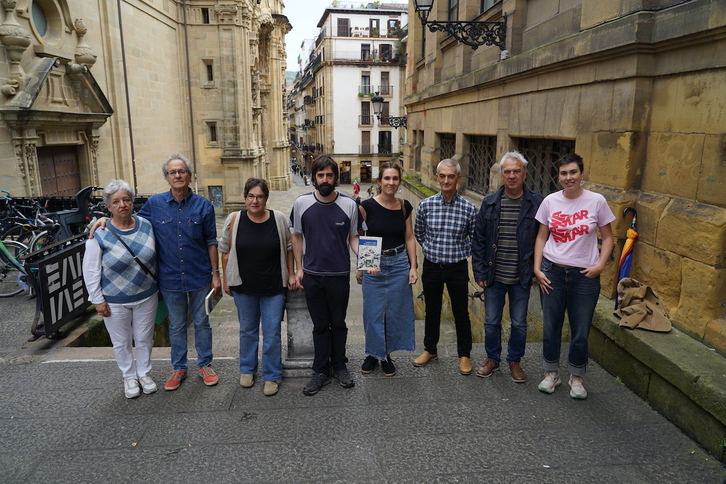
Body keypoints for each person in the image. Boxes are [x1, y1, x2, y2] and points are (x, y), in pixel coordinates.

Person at [92, 153, 222, 391]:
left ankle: (205, 364)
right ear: (166, 177)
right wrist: (102, 220)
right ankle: (179, 367)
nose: (177, 175)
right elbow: (128, 222)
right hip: (169, 278)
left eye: (181, 171)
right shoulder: (155, 204)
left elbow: (211, 241)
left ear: (190, 175)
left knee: (202, 322)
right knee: (176, 325)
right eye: (172, 172)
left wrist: (216, 273)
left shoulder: (204, 206)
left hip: (199, 275)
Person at [533, 153, 615, 399]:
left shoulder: (597, 201)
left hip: (584, 276)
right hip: (552, 272)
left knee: (580, 329)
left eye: (573, 172)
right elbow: (541, 237)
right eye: (564, 173)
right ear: (558, 176)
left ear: (582, 174)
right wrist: (537, 268)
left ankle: (576, 377)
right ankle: (551, 373)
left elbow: (609, 237)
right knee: (551, 326)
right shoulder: (549, 201)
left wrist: (601, 265)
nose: (569, 178)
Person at [219, 178, 296, 397]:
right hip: (244, 287)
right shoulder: (235, 219)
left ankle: (271, 375)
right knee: (247, 331)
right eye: (251, 196)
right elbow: (224, 250)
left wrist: (291, 273)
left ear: (266, 199)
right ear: (245, 198)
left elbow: (290, 248)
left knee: (272, 333)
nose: (255, 201)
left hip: (273, 287)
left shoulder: (278, 219)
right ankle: (247, 369)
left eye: (260, 196)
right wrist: (226, 279)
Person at [82, 180, 159, 399]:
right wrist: (97, 299)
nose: (122, 205)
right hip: (115, 298)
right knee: (122, 341)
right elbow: (91, 271)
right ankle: (129, 376)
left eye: (126, 199)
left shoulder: (146, 225)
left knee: (144, 338)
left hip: (147, 294)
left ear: (133, 202)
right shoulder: (99, 233)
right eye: (116, 201)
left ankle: (144, 374)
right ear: (108, 206)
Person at [471, 152, 543, 383]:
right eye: (507, 171)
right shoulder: (490, 202)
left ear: (525, 173)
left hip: (521, 276)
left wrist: (537, 270)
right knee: (492, 321)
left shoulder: (537, 203)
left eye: (516, 171)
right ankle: (493, 358)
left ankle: (515, 361)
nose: (512, 176)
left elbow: (544, 239)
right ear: (501, 174)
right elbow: (479, 240)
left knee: (519, 323)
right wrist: (480, 272)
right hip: (493, 276)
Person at [292, 155, 359, 396]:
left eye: (329, 175)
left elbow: (354, 237)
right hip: (312, 274)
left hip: (339, 274)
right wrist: (299, 269)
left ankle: (340, 365)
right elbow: (296, 236)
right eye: (321, 175)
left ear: (335, 177)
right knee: (320, 325)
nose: (325, 179)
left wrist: (365, 259)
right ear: (313, 177)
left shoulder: (349, 205)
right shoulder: (301, 203)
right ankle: (320, 370)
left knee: (338, 323)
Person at [413, 159, 478, 375]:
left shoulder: (469, 208)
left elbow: (474, 237)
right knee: (432, 310)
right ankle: (430, 349)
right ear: (436, 177)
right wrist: (433, 250)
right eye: (442, 176)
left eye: (451, 176)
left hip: (457, 268)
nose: (446, 180)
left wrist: (459, 252)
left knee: (461, 312)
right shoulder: (426, 205)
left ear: (458, 178)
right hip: (432, 266)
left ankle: (464, 354)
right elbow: (419, 233)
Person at [356, 162, 417, 377]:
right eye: (387, 178)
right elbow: (358, 236)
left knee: (394, 312)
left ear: (399, 181)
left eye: (395, 178)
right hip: (375, 264)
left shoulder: (404, 206)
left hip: (399, 263)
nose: (391, 182)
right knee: (373, 313)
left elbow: (409, 238)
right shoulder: (366, 206)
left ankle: (387, 354)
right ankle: (373, 354)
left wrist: (413, 267)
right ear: (379, 181)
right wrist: (363, 266)